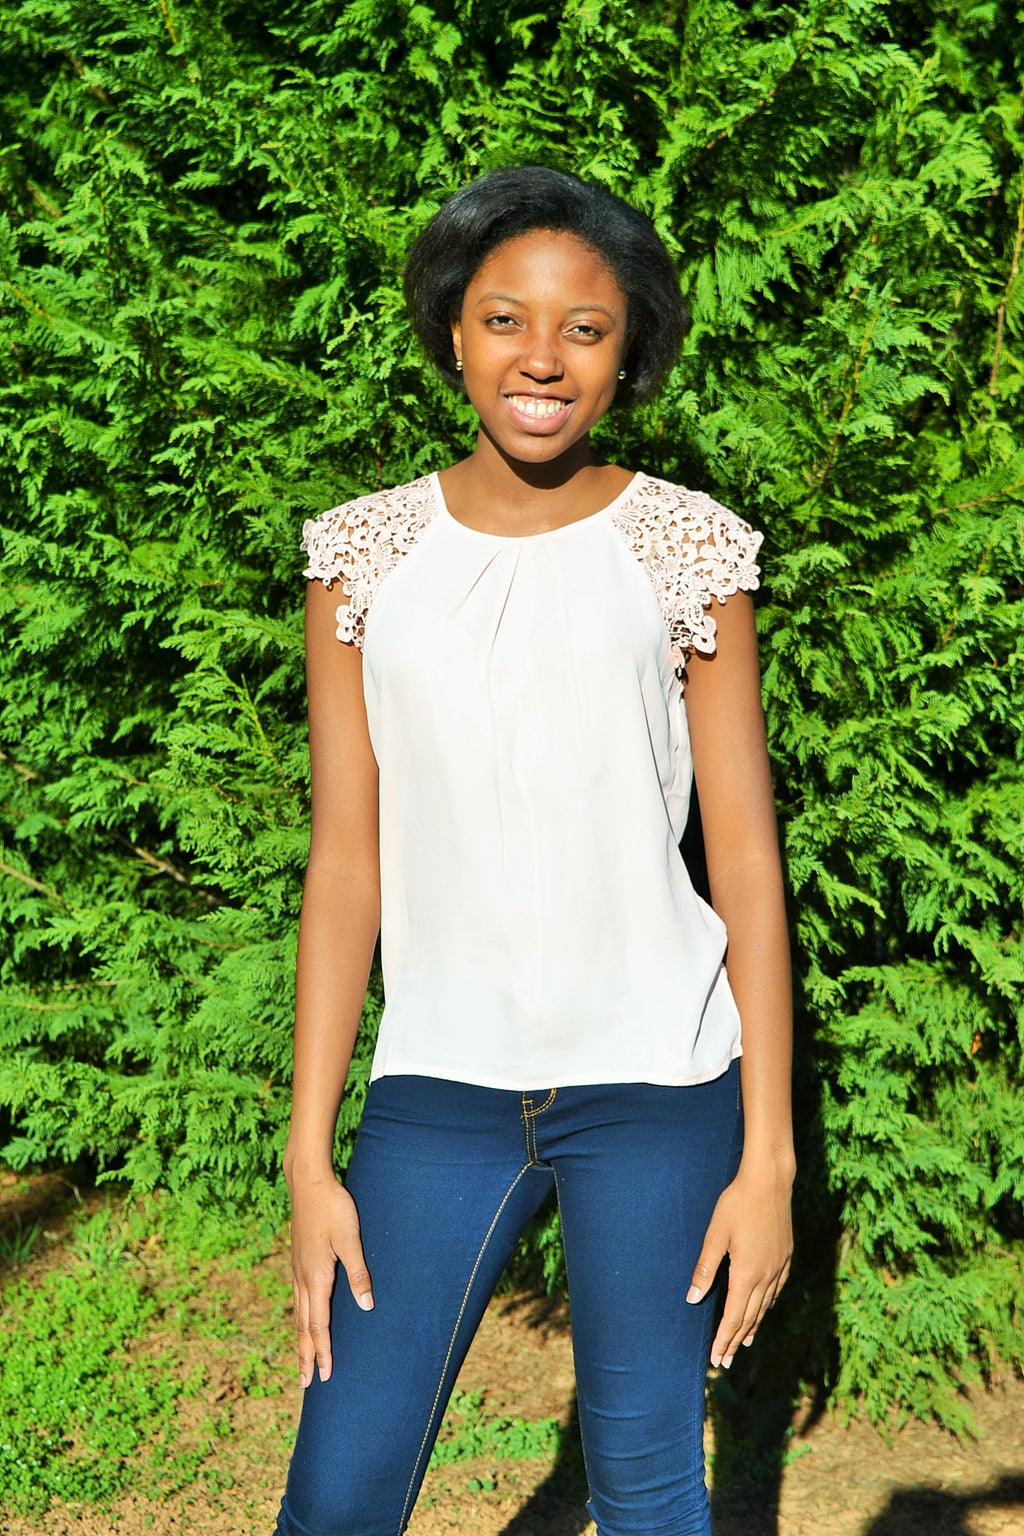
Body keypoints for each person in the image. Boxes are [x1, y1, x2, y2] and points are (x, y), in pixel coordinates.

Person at [275, 164, 794, 1536]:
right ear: (453, 332)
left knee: (647, 1491)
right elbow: (346, 863)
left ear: (629, 354)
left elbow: (744, 862)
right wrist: (308, 1157)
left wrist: (770, 1158)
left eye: (586, 327)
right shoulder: (361, 559)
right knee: (335, 1500)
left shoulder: (689, 550)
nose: (543, 358)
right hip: (437, 1093)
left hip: (661, 1090)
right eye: (506, 319)